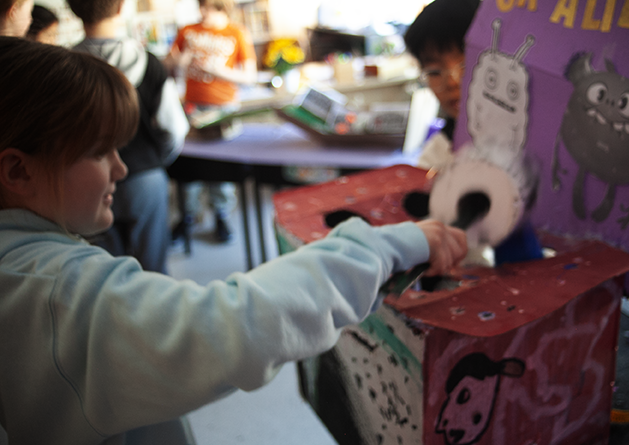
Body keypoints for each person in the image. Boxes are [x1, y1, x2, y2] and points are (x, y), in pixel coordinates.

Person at [0, 37, 467, 445]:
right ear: (18, 170)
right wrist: (387, 246)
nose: (120, 168)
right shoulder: (53, 290)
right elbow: (235, 324)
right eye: (99, 152)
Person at [67, 0, 190, 274]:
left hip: (88, 181)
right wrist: (156, 159)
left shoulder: (65, 67)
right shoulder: (148, 62)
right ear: (122, 7)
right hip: (144, 177)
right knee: (154, 272)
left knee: (108, 273)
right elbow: (175, 128)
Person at [164, 0, 258, 244]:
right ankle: (186, 216)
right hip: (191, 107)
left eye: (208, 7)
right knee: (190, 167)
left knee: (220, 169)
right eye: (201, 6)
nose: (203, 12)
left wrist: (218, 71)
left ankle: (221, 216)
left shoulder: (237, 32)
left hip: (223, 108)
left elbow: (249, 76)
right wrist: (178, 62)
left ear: (221, 7)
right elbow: (167, 64)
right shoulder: (187, 31)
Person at [403, 0, 480, 171]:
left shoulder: (538, 144)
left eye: (466, 65)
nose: (452, 82)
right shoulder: (436, 160)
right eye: (434, 72)